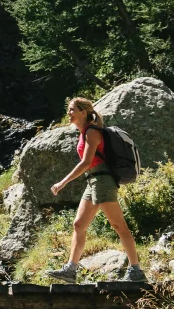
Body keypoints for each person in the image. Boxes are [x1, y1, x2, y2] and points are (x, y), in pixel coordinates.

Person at [46, 96, 144, 283]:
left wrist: (62, 182)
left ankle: (136, 270)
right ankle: (70, 270)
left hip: (102, 181)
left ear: (83, 112)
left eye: (72, 109)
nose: (69, 113)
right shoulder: (84, 133)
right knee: (78, 225)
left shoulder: (92, 133)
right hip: (92, 181)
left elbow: (87, 162)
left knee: (119, 226)